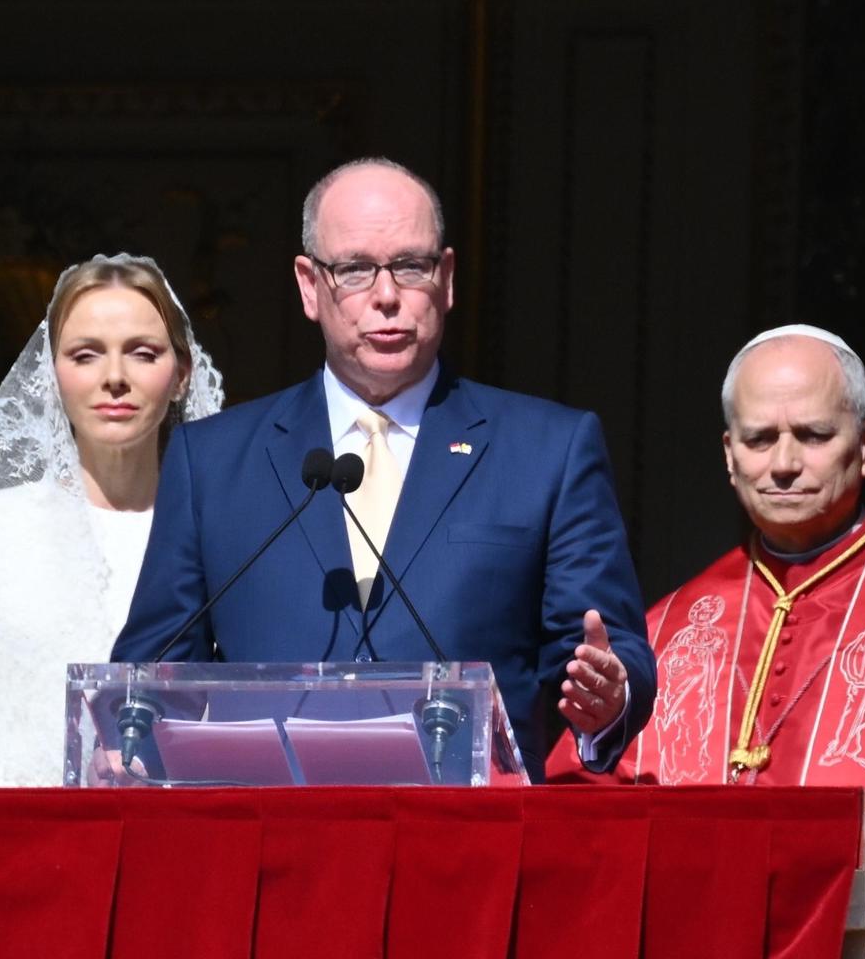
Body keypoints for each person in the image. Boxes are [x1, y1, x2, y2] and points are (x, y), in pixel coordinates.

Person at [111, 158, 654, 778]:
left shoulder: (549, 450)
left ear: (446, 279)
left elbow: (608, 650)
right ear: (310, 286)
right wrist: (140, 732)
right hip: (268, 838)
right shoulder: (209, 461)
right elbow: (150, 671)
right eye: (355, 269)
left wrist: (608, 697)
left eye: (410, 266)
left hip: (470, 844)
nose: (387, 295)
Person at [0, 253, 225, 784]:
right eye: (85, 355)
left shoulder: (223, 536)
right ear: (52, 373)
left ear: (182, 375)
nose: (114, 377)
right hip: (12, 851)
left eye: (142, 354)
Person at [547, 325, 865, 788]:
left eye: (813, 435)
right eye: (760, 439)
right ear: (729, 454)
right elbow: (578, 801)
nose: (783, 464)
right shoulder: (669, 627)